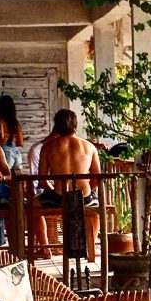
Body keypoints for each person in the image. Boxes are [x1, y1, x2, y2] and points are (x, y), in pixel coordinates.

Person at [36, 109, 102, 259]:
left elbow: (42, 180)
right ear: (75, 125)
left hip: (59, 197)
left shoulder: (48, 147)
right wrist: (90, 191)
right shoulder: (89, 146)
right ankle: (90, 248)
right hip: (85, 197)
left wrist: (52, 190)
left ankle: (45, 248)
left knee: (32, 207)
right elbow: (97, 177)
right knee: (96, 209)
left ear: (56, 126)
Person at [0, 95, 25, 172]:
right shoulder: (15, 122)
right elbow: (20, 143)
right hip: (16, 152)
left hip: (4, 151)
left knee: (3, 176)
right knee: (17, 177)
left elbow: (1, 137)